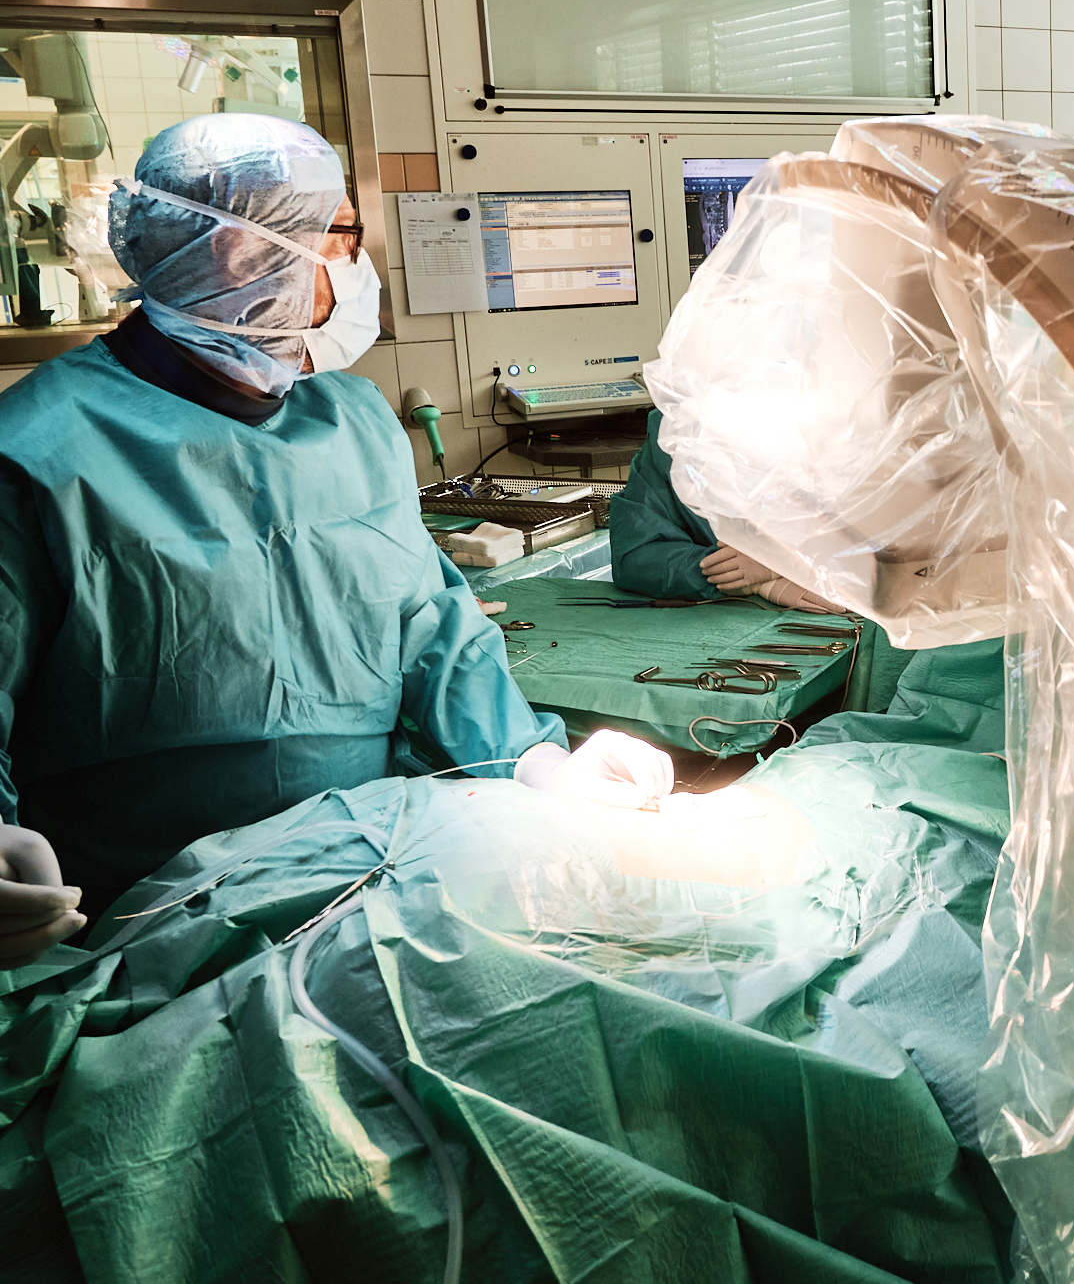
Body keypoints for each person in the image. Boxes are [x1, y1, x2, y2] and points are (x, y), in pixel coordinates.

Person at [0, 115, 628, 969]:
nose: (357, 266)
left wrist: (533, 761)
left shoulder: (356, 421)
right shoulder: (36, 450)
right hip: (144, 929)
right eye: (339, 236)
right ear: (237, 253)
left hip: (362, 885)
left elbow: (429, 624)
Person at [610, 407, 844, 612]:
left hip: (837, 599)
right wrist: (743, 580)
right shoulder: (674, 434)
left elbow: (861, 535)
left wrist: (785, 560)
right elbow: (637, 558)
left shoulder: (830, 427)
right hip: (718, 617)